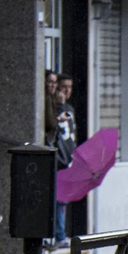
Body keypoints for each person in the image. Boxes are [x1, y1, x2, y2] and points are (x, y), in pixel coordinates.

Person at [47, 73, 77, 245]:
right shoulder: (56, 107)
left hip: (68, 158)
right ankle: (57, 234)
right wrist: (60, 106)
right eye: (63, 86)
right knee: (57, 198)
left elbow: (71, 135)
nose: (66, 90)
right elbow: (54, 127)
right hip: (57, 158)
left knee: (63, 199)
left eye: (70, 87)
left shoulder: (69, 109)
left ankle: (60, 233)